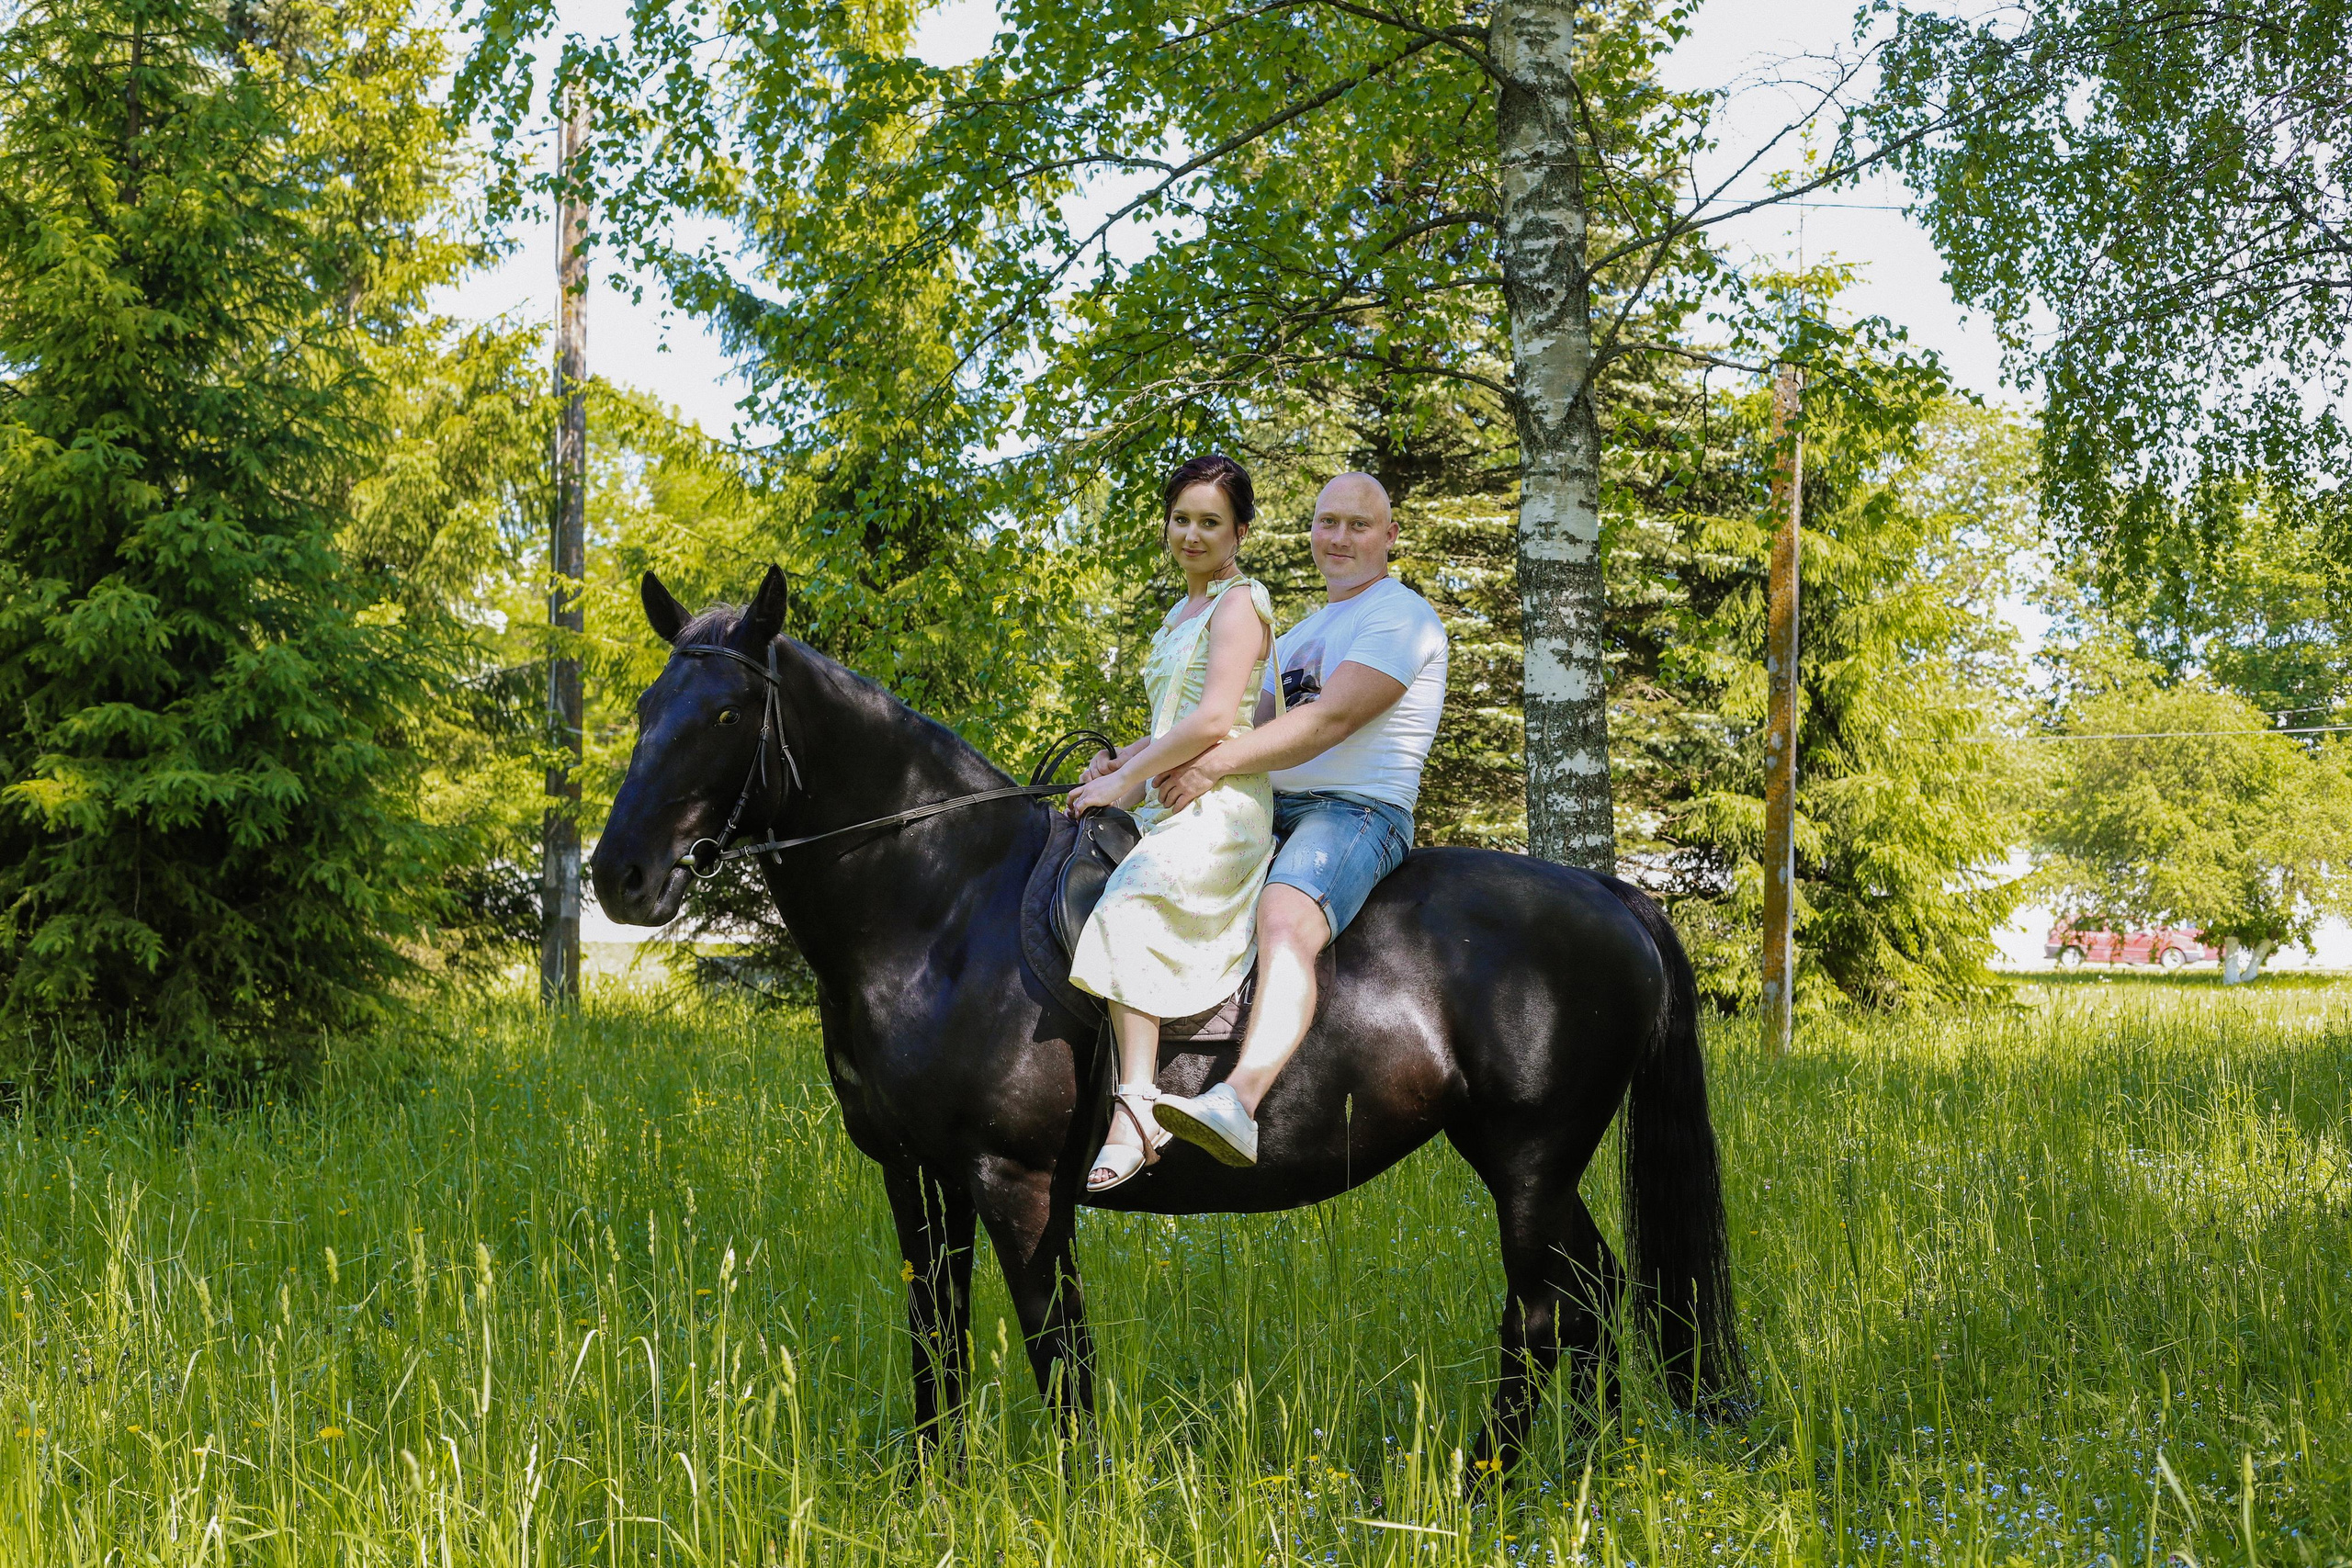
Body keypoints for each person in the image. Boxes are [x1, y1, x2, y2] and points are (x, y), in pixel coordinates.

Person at [1146, 472, 1447, 1166]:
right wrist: (1131, 761)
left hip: (1356, 809)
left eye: (1359, 525)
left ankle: (1238, 1101)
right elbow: (1223, 731)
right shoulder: (1307, 629)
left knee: (1284, 916)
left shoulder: (1401, 618)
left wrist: (1212, 769)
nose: (1339, 538)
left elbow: (1329, 721)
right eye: (1327, 522)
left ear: (1390, 537)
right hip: (1273, 804)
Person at [1063, 454, 1281, 1193]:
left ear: (1239, 532)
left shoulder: (1240, 603)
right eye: (1181, 519)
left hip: (1223, 802)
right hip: (1168, 788)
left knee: (1130, 901)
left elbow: (1218, 718)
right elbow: (1173, 723)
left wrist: (1129, 780)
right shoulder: (1176, 614)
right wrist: (1115, 760)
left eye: (1210, 522)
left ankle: (1137, 1107)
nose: (1192, 534)